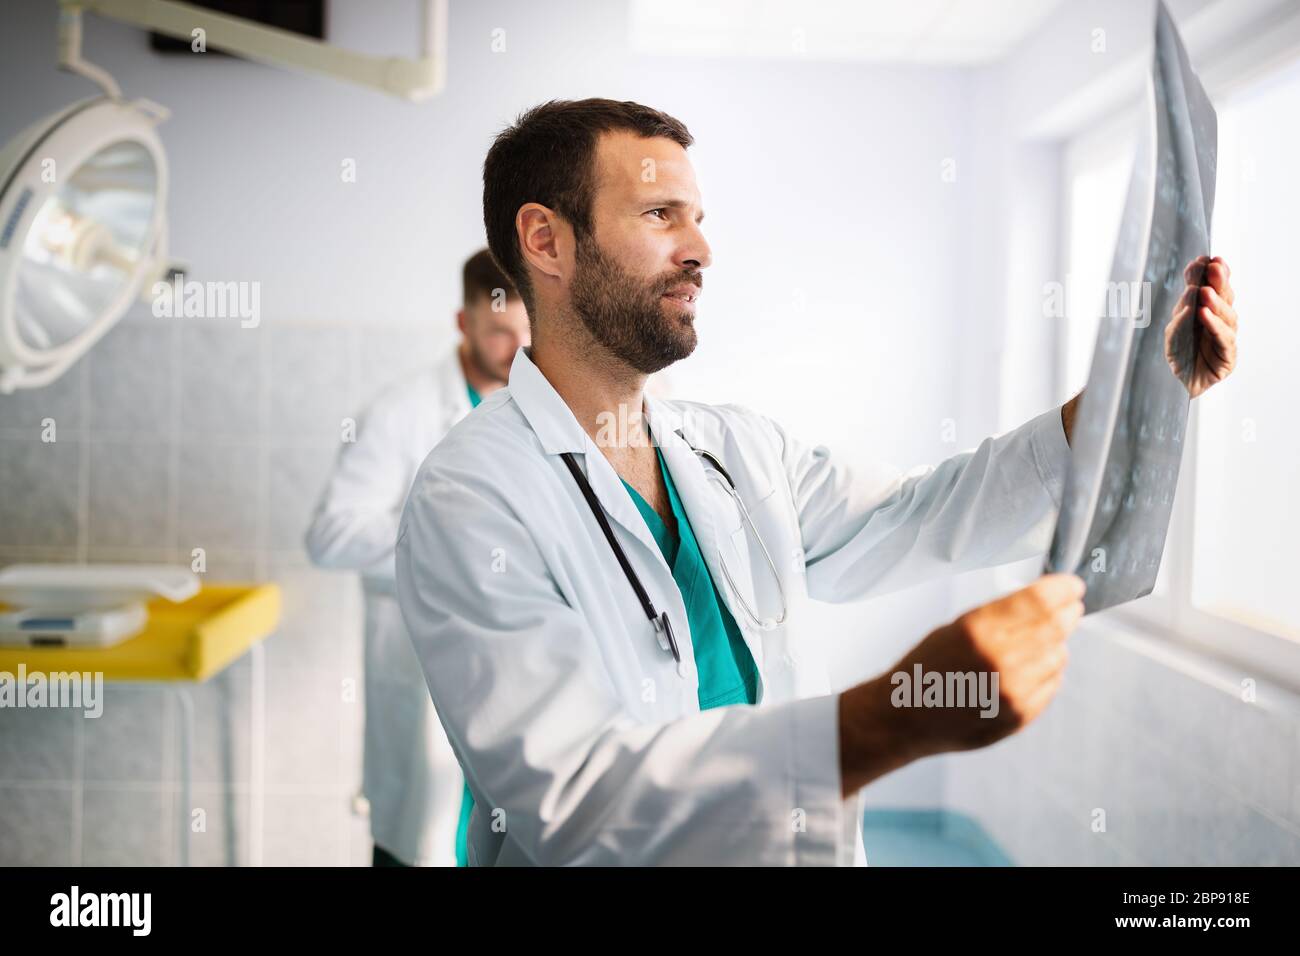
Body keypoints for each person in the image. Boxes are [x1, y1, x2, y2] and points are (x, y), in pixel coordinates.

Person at [394, 99, 1240, 866]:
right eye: (660, 216)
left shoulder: (730, 447)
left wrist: (1137, 398)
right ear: (547, 241)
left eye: (698, 220)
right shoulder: (471, 496)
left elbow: (923, 512)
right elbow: (574, 802)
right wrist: (885, 721)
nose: (701, 252)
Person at [305, 249, 529, 866]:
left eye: (525, 333)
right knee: (421, 846)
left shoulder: (543, 413)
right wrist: (442, 528)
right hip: (422, 677)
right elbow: (330, 535)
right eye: (498, 332)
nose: (516, 350)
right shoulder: (402, 412)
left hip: (518, 693)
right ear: (464, 324)